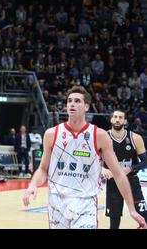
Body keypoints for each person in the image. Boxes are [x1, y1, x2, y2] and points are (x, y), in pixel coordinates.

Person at [22, 86, 146, 229]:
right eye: (69, 101)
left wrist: (131, 209)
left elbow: (118, 174)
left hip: (85, 204)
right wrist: (32, 184)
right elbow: (43, 169)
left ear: (86, 106)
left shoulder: (99, 135)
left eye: (77, 101)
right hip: (57, 203)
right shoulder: (51, 134)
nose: (72, 104)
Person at [103, 110, 147, 229]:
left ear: (125, 121)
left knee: (144, 216)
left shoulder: (135, 138)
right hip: (113, 183)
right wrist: (102, 169)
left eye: (121, 117)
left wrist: (130, 168)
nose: (117, 119)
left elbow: (145, 161)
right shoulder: (103, 137)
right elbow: (93, 160)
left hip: (132, 181)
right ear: (111, 119)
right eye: (115, 117)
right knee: (114, 221)